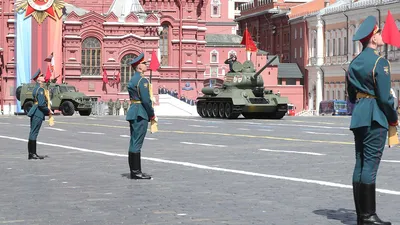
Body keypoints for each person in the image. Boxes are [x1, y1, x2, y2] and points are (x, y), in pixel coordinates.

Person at [346, 16, 397, 225]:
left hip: (359, 115)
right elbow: (385, 98)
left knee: (360, 164)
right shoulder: (380, 62)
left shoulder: (354, 63)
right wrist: (393, 118)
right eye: (378, 33)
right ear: (372, 39)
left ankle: (361, 215)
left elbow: (350, 96)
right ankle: (368, 216)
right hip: (375, 116)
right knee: (370, 166)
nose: (381, 36)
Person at [126, 53, 156, 180]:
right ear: (139, 67)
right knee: (137, 142)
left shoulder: (133, 80)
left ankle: (134, 171)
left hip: (133, 111)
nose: (146, 65)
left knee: (133, 141)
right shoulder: (142, 81)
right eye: (144, 63)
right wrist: (152, 114)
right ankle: (136, 172)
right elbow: (146, 100)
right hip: (141, 112)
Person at [27, 69, 51, 160]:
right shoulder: (40, 90)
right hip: (38, 113)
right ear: (38, 79)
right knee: (34, 133)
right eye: (41, 76)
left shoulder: (35, 89)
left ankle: (31, 153)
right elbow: (41, 104)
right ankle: (32, 154)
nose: (43, 77)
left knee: (32, 132)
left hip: (34, 111)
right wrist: (48, 110)